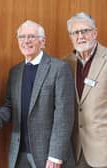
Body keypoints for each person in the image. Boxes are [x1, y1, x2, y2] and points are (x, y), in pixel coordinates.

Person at [0, 20, 75, 168]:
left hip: (48, 155)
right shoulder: (15, 72)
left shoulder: (59, 69)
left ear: (43, 41)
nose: (26, 41)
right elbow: (10, 107)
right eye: (22, 37)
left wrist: (56, 155)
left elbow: (64, 116)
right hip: (19, 154)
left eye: (31, 36)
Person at [66, 12, 107, 168]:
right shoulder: (65, 64)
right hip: (75, 150)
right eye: (75, 32)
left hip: (103, 151)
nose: (80, 36)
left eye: (85, 31)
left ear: (95, 33)